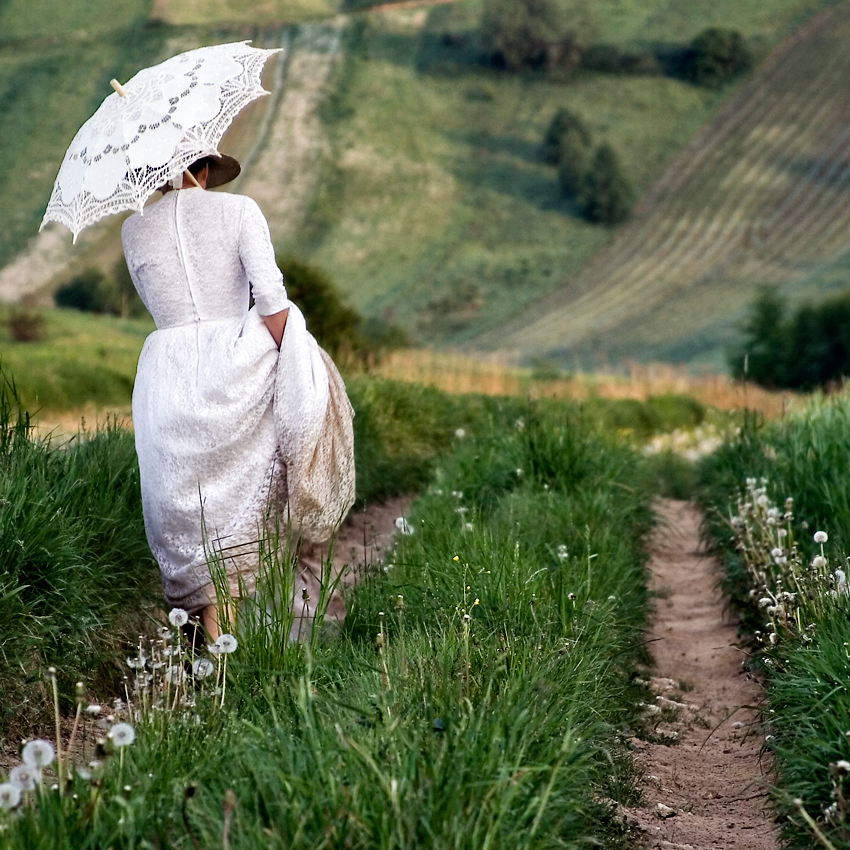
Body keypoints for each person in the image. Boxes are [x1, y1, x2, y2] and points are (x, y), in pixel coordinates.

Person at [121, 154, 355, 640]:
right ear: (204, 168)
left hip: (168, 377)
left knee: (187, 511)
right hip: (236, 367)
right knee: (240, 506)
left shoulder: (133, 231)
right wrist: (302, 359)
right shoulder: (240, 211)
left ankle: (209, 652)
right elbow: (271, 301)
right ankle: (230, 658)